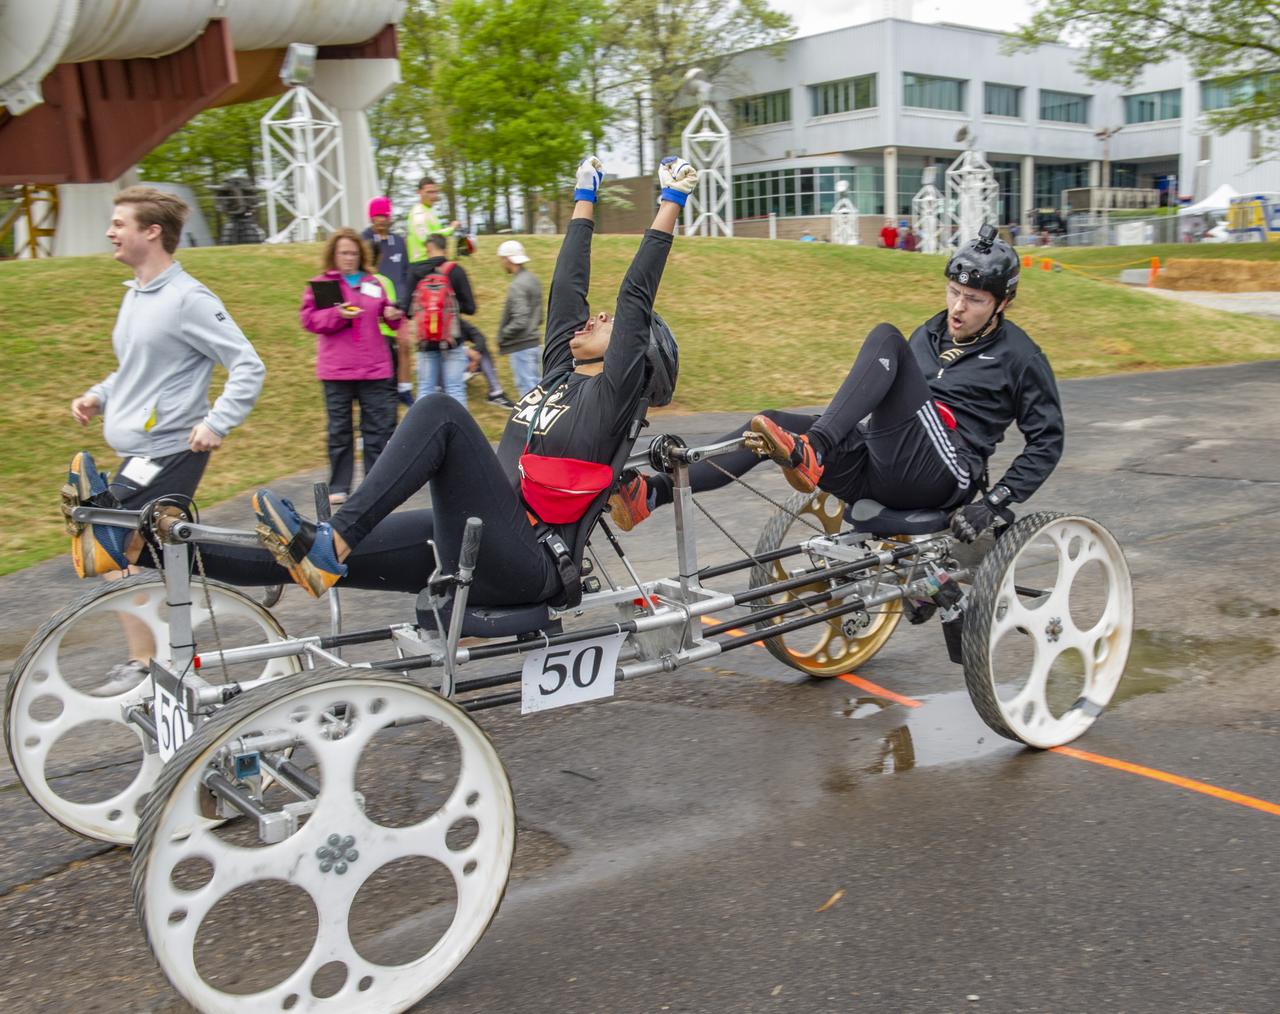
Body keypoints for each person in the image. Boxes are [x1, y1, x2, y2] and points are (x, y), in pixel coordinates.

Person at [244, 155, 692, 603]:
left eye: (609, 321)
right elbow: (567, 287)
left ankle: (328, 546)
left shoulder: (611, 397)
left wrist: (671, 200)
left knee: (441, 411)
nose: (596, 315)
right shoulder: (560, 375)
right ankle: (180, 556)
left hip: (528, 558)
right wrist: (584, 198)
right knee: (303, 549)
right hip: (486, 533)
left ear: (632, 352)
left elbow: (635, 295)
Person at [609, 223, 1063, 545]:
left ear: (1003, 302)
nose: (958, 307)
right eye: (953, 292)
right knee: (768, 425)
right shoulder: (929, 332)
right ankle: (654, 492)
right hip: (881, 465)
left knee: (887, 337)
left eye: (975, 299)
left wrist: (997, 502)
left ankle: (816, 447)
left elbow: (1047, 441)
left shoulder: (1020, 356)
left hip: (943, 472)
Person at [65, 185, 264, 689]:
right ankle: (166, 655)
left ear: (151, 232)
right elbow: (139, 369)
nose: (110, 232)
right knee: (135, 550)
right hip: (138, 451)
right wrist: (99, 395)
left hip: (172, 449)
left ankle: (150, 662)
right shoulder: (136, 294)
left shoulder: (187, 299)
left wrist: (217, 422)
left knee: (107, 543)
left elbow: (247, 364)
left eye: (120, 224)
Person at [301, 228, 404, 505]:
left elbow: (389, 317)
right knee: (340, 430)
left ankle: (375, 484)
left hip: (374, 368)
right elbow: (311, 321)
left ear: (361, 255)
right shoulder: (323, 284)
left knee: (378, 430)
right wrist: (338, 314)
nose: (349, 258)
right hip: (337, 370)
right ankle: (339, 484)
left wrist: (393, 315)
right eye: (343, 253)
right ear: (333, 254)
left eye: (354, 253)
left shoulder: (373, 283)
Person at [401, 232, 513, 407]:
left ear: (428, 248)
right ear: (445, 248)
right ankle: (459, 432)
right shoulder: (456, 271)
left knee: (426, 388)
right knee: (455, 389)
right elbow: (471, 307)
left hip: (425, 343)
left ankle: (423, 432)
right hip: (452, 341)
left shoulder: (416, 271)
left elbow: (406, 311)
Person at [361, 196, 414, 407]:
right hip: (371, 305)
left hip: (397, 305)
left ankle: (404, 388)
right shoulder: (363, 240)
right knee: (377, 347)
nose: (381, 220)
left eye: (384, 215)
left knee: (404, 344)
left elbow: (406, 272)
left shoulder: (399, 242)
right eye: (377, 216)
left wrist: (406, 299)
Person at [496, 239, 544, 398]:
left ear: (508, 259)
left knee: (528, 394)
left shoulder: (517, 285)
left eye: (502, 259)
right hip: (534, 342)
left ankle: (535, 423)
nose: (501, 263)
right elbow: (539, 317)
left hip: (521, 345)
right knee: (538, 388)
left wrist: (503, 334)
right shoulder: (533, 280)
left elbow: (520, 320)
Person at [406, 176, 460, 266]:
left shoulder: (429, 211)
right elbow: (427, 238)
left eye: (435, 192)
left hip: (432, 260)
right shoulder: (418, 213)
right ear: (419, 192)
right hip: (422, 263)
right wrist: (451, 228)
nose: (433, 196)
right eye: (429, 192)